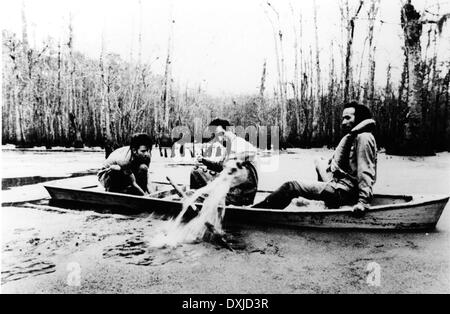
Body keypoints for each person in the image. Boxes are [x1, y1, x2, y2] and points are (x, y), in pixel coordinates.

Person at [253, 101, 377, 214]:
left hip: (344, 192)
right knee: (319, 160)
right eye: (343, 118)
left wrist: (363, 202)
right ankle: (327, 201)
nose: (343, 122)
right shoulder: (355, 136)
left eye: (348, 118)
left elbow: (365, 171)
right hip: (339, 184)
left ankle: (257, 212)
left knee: (291, 187)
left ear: (359, 119)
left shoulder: (364, 138)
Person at [190, 119, 259, 206]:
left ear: (230, 131)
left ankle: (199, 201)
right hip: (231, 187)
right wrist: (203, 160)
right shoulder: (229, 147)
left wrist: (237, 158)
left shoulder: (239, 143)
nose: (219, 138)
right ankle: (197, 202)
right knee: (196, 172)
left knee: (204, 193)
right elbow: (221, 166)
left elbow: (253, 153)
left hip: (241, 194)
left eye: (221, 134)